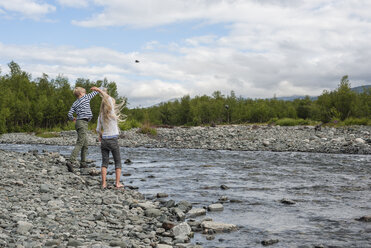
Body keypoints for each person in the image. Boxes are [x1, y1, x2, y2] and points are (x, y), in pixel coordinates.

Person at [92, 87, 125, 189]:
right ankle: (117, 183)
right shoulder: (111, 113)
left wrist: (100, 136)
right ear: (109, 105)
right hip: (113, 140)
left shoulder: (100, 116)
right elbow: (108, 98)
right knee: (117, 161)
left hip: (104, 140)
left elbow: (98, 129)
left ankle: (103, 184)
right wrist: (99, 90)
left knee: (104, 162)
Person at [66, 86, 99, 172]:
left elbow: (69, 114)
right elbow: (95, 93)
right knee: (80, 142)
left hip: (79, 123)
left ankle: (83, 163)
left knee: (85, 143)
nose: (86, 93)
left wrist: (73, 118)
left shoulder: (75, 103)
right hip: (82, 123)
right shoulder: (85, 97)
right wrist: (99, 88)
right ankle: (70, 161)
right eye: (84, 92)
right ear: (81, 94)